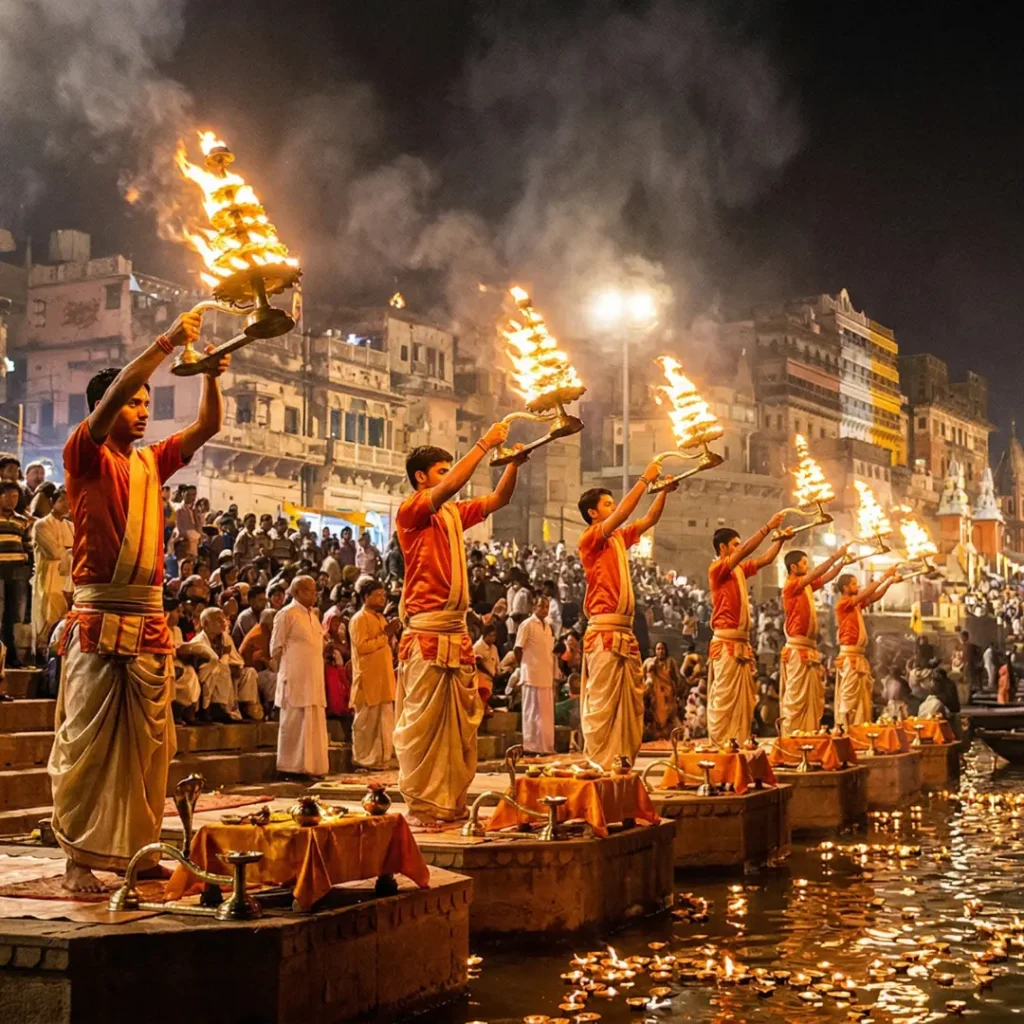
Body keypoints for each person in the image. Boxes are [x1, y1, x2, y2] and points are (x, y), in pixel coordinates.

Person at [47, 310, 226, 892]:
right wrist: (168, 342)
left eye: (148, 401)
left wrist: (209, 376)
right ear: (105, 410)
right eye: (134, 402)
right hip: (100, 617)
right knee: (91, 746)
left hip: (147, 620)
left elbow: (206, 429)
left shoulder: (150, 461)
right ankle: (78, 858)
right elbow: (118, 390)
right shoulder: (85, 454)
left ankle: (141, 852)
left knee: (151, 749)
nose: (143, 409)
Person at [394, 427, 526, 823]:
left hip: (455, 631)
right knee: (425, 725)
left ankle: (450, 803)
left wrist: (513, 466)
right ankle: (424, 804)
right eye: (441, 470)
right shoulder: (411, 510)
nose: (449, 476)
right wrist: (485, 444)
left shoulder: (452, 513)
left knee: (457, 730)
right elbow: (455, 485)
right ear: (422, 477)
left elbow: (499, 499)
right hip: (428, 630)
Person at [576, 465, 676, 767]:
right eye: (607, 504)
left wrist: (663, 494)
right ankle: (601, 761)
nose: (613, 508)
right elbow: (624, 513)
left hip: (624, 631)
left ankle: (620, 760)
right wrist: (645, 479)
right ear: (593, 513)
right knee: (604, 702)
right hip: (605, 630)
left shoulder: (618, 538)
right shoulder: (592, 537)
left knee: (629, 703)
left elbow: (649, 520)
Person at [706, 513, 791, 746]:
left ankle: (739, 740)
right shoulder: (717, 569)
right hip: (726, 641)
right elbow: (747, 551)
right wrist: (767, 527)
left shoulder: (739, 570)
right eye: (735, 545)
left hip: (741, 642)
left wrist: (780, 540)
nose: (739, 548)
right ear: (722, 548)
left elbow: (764, 560)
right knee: (725, 697)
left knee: (743, 699)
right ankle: (721, 742)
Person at [778, 546, 848, 736]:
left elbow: (824, 577)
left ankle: (809, 733)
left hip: (809, 649)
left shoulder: (805, 585)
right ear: (793, 567)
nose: (808, 567)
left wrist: (842, 564)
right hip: (797, 649)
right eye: (804, 563)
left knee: (811, 696)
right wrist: (835, 556)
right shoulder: (792, 585)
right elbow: (818, 572)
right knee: (797, 697)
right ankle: (794, 735)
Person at [270, 575, 329, 777]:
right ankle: (291, 768)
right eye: (309, 591)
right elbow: (275, 648)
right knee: (294, 721)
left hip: (314, 676)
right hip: (295, 677)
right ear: (297, 592)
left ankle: (313, 766)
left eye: (315, 591)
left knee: (313, 720)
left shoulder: (314, 615)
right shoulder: (287, 614)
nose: (314, 595)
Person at [833, 566, 902, 727]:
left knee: (862, 696)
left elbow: (873, 597)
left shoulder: (855, 603)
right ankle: (844, 728)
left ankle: (858, 727)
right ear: (845, 588)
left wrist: (889, 582)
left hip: (858, 656)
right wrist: (884, 575)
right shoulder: (843, 603)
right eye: (854, 584)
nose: (858, 587)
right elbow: (865, 594)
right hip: (850, 658)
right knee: (849, 696)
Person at [349, 576, 400, 769]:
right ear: (365, 597)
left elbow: (386, 644)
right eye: (377, 595)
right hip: (368, 677)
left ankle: (381, 758)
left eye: (383, 595)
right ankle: (363, 759)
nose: (382, 598)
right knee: (366, 723)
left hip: (383, 677)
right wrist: (385, 635)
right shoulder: (359, 619)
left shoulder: (380, 618)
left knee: (384, 720)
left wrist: (391, 635)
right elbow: (362, 647)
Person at [190, 606, 262, 721]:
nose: (223, 623)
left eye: (223, 619)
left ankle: (246, 707)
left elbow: (236, 658)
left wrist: (236, 666)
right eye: (218, 620)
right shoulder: (198, 641)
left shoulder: (226, 638)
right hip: (210, 674)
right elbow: (202, 665)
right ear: (206, 623)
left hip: (229, 671)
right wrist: (224, 661)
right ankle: (220, 709)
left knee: (249, 672)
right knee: (222, 670)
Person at [31, 486, 74, 664]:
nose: (66, 505)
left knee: (64, 615)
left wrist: (69, 551)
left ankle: (58, 656)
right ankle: (42, 657)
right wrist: (71, 551)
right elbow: (53, 552)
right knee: (48, 615)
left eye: (69, 500)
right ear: (52, 502)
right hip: (49, 575)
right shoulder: (41, 524)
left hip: (68, 578)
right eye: (62, 500)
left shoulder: (71, 526)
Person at [515, 594, 556, 754]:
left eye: (547, 606)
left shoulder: (548, 626)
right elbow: (518, 648)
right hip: (531, 674)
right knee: (531, 712)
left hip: (546, 675)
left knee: (545, 714)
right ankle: (531, 747)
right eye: (541, 606)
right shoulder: (527, 624)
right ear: (533, 607)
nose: (544, 609)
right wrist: (524, 666)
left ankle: (546, 747)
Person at [0, 481, 31, 667]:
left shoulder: (21, 520)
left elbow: (28, 544)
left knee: (14, 616)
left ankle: (12, 656)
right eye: (8, 496)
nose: (12, 500)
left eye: (15, 497)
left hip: (17, 571)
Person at [239, 607, 277, 711]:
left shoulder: (266, 633)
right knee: (274, 678)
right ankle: (272, 708)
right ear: (270, 624)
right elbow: (259, 660)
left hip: (258, 671)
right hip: (250, 674)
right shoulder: (259, 635)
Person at [642, 640, 681, 740]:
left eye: (662, 649)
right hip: (656, 694)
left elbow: (676, 677)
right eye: (658, 649)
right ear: (655, 651)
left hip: (668, 693)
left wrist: (676, 692)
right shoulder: (650, 661)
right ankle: (658, 735)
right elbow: (644, 675)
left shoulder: (671, 661)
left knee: (669, 715)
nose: (660, 651)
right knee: (657, 716)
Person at [174, 485, 203, 557]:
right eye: (188, 495)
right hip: (184, 542)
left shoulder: (196, 510)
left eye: (193, 495)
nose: (191, 497)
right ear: (183, 494)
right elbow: (179, 529)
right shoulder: (179, 510)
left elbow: (199, 525)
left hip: (196, 542)